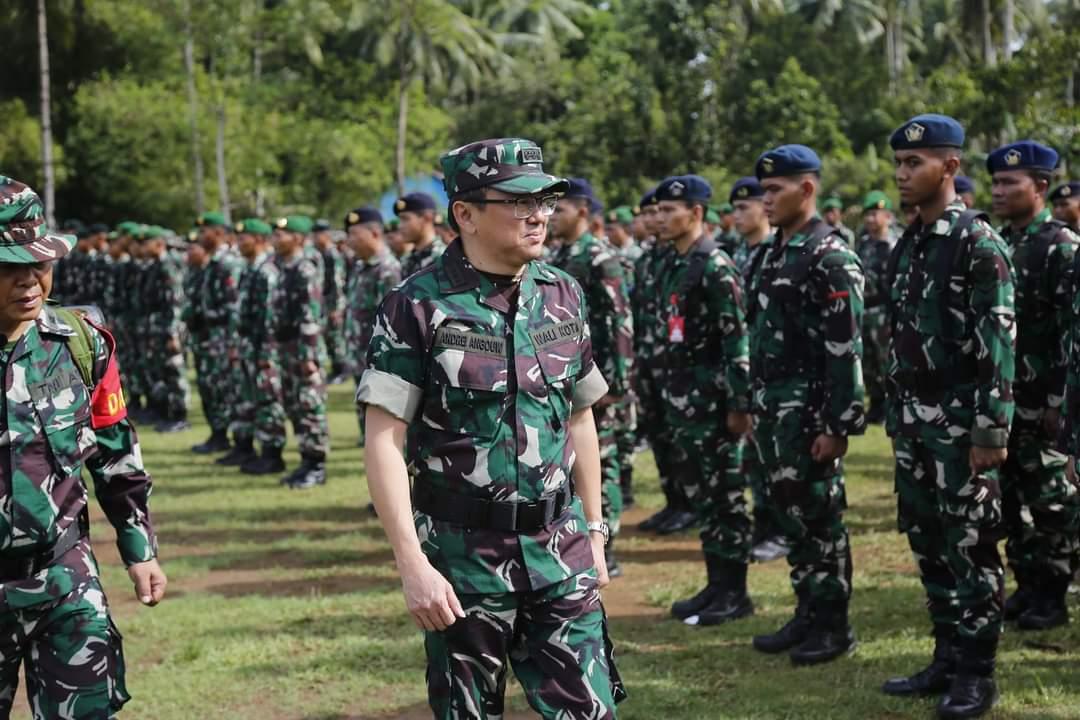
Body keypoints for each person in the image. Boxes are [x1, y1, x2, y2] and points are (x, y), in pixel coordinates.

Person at [357, 138, 621, 720]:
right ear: (466, 215)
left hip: (561, 552)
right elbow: (383, 439)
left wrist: (596, 531)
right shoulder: (417, 305)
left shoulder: (562, 294)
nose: (539, 214)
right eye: (519, 200)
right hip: (463, 565)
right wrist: (412, 564)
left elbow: (580, 417)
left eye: (547, 200)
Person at [0, 176, 166, 717]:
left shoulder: (80, 340)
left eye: (39, 264)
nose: (28, 281)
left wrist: (138, 547)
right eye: (8, 267)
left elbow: (116, 451)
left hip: (65, 578)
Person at [882, 114, 1015, 719]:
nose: (904, 174)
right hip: (913, 418)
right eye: (901, 164)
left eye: (916, 163)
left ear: (952, 167)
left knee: (971, 545)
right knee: (929, 540)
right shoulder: (912, 240)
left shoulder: (977, 242)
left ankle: (976, 672)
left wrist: (991, 430)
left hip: (962, 422)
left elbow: (999, 342)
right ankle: (945, 654)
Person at [748, 144, 864, 665]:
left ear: (808, 189)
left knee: (820, 518)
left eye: (775, 190)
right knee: (789, 513)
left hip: (810, 410)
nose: (765, 199)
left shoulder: (830, 255)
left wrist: (837, 424)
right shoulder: (772, 252)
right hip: (774, 409)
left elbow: (847, 350)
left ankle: (833, 624)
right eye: (763, 190)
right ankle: (807, 611)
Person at [650, 175, 754, 627]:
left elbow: (737, 339)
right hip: (687, 402)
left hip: (714, 404)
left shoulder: (715, 266)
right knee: (707, 498)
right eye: (658, 211)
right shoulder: (678, 262)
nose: (660, 218)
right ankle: (717, 584)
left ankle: (735, 592)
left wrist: (739, 404)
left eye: (670, 211)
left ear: (696, 213)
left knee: (726, 498)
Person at [987, 141, 1080, 631]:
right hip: (1006, 402)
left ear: (1040, 187)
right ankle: (1027, 585)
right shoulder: (1001, 242)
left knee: (1052, 502)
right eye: (996, 182)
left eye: (1010, 183)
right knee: (1011, 500)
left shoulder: (1061, 247)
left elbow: (1073, 329)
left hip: (1045, 399)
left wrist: (1060, 402)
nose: (999, 191)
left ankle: (1053, 593)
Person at [549, 178, 634, 576]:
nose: (551, 218)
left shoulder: (600, 257)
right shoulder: (558, 254)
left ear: (582, 211)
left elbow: (619, 320)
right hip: (567, 374)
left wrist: (616, 384)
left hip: (598, 379)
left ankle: (608, 543)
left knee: (603, 460)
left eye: (559, 209)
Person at [728, 176, 787, 563]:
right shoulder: (743, 253)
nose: (738, 216)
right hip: (751, 370)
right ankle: (765, 524)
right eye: (734, 208)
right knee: (755, 456)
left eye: (743, 208)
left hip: (774, 369)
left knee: (776, 460)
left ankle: (779, 530)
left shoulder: (774, 252)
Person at [634, 189, 694, 535]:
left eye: (662, 211)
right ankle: (674, 502)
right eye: (651, 213)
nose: (655, 219)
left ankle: (688, 504)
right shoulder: (651, 258)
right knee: (660, 436)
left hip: (676, 366)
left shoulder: (679, 257)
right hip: (652, 361)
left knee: (679, 440)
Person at [222, 219, 288, 475]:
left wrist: (268, 354)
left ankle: (273, 453)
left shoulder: (266, 272)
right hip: (249, 345)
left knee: (268, 399)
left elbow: (270, 317)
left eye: (244, 238)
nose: (239, 243)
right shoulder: (250, 269)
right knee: (250, 397)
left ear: (259, 240)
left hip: (263, 348)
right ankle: (252, 448)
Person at [272, 215, 330, 489]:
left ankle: (317, 464)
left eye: (282, 234)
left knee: (310, 404)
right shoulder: (284, 268)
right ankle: (305, 460)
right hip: (288, 346)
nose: (276, 239)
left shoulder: (305, 269)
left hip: (304, 348)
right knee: (295, 404)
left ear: (297, 238)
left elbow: (311, 313)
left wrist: (308, 355)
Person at [343, 206, 401, 440]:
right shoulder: (360, 267)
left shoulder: (387, 269)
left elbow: (392, 321)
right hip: (360, 351)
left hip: (378, 358)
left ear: (375, 234)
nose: (349, 241)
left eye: (355, 235)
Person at [190, 212, 241, 454]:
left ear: (218, 233)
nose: (200, 237)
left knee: (224, 388)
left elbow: (233, 308)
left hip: (221, 337)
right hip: (206, 337)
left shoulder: (228, 263)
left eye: (204, 231)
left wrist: (232, 343)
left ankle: (232, 437)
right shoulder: (211, 263)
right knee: (209, 386)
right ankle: (218, 434)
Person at [140, 225, 190, 433]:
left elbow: (173, 303)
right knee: (163, 372)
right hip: (158, 328)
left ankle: (180, 416)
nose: (143, 248)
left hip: (169, 329)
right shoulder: (155, 265)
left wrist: (172, 333)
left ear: (158, 244)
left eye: (146, 243)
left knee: (174, 372)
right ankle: (169, 412)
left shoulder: (167, 266)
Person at [856, 191, 900, 425]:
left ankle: (890, 406)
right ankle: (875, 404)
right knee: (868, 363)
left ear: (888, 217)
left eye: (875, 214)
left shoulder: (893, 245)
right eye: (868, 215)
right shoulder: (863, 244)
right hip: (865, 311)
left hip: (884, 312)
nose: (871, 219)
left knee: (885, 361)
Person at [313, 219, 349, 384]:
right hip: (324, 301)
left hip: (333, 302)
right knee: (328, 336)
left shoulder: (332, 254)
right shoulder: (319, 253)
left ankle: (342, 369)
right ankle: (336, 370)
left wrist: (336, 308)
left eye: (318, 233)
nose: (315, 237)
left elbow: (336, 282)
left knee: (336, 337)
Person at [397, 193, 446, 278]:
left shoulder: (443, 257)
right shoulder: (407, 260)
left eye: (405, 219)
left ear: (427, 218)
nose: (400, 226)